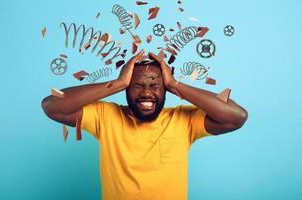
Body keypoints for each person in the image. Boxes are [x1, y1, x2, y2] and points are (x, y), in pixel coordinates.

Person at [42, 49, 248, 200]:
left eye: (155, 86)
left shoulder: (184, 120)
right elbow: (52, 105)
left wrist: (174, 84)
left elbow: (236, 116)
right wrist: (118, 82)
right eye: (137, 86)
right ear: (126, 89)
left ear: (165, 90)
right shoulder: (105, 115)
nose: (147, 93)